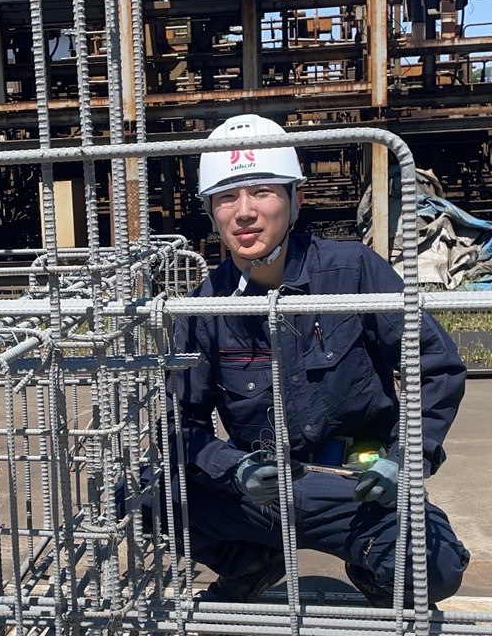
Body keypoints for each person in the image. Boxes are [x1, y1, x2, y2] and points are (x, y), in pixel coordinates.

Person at [165, 113, 470, 607]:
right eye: (227, 197)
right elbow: (180, 422)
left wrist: (405, 460)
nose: (244, 212)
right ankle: (250, 564)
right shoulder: (205, 307)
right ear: (211, 211)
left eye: (262, 192)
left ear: (296, 199)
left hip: (357, 489)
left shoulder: (352, 272)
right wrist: (234, 468)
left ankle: (374, 569)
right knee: (143, 494)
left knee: (435, 568)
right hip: (261, 493)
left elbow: (437, 366)